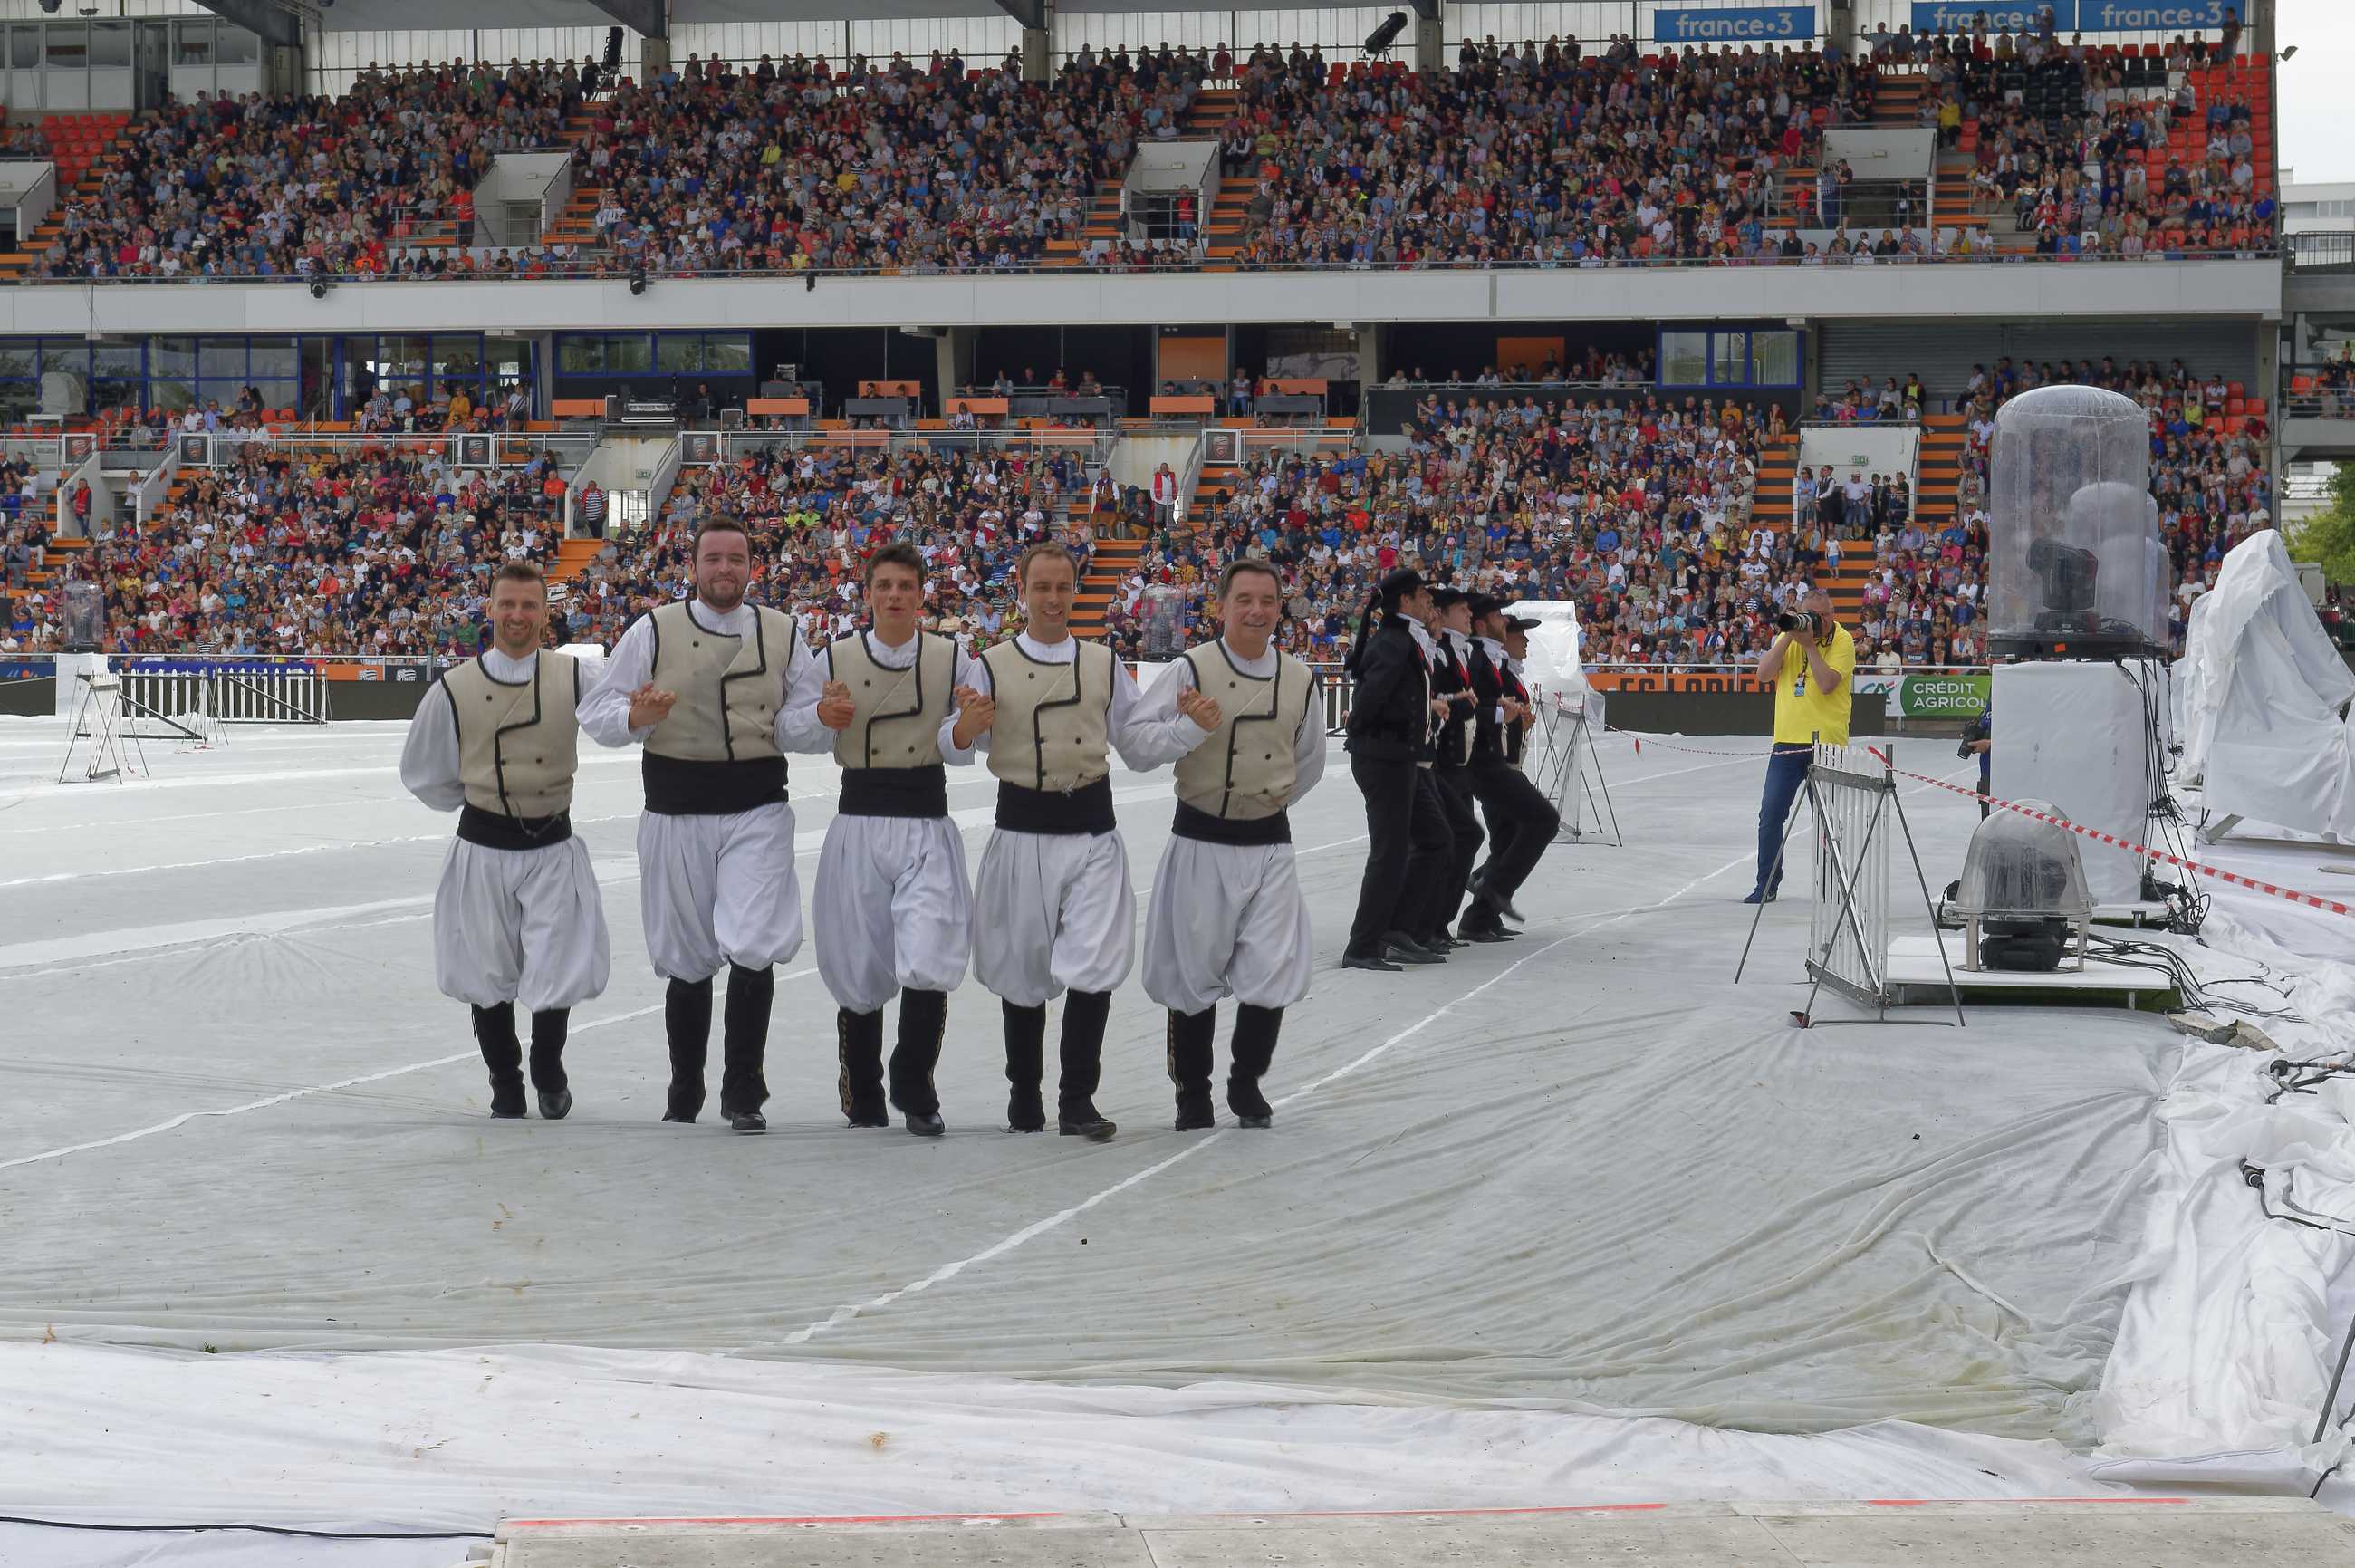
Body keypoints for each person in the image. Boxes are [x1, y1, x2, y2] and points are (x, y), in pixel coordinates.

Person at [578, 515, 826, 1132]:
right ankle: (685, 1085)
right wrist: (635, 714)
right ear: (693, 566)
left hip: (758, 807)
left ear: (752, 566)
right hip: (675, 809)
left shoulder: (784, 633)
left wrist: (823, 715)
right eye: (713, 558)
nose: (724, 570)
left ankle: (743, 1088)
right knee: (686, 954)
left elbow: (803, 719)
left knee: (754, 940)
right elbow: (598, 707)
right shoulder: (653, 630)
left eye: (736, 559)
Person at [963, 541, 1206, 1140]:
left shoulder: (1103, 663)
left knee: (1095, 963)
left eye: (1062, 587)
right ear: (1021, 589)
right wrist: (965, 727)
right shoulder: (988, 663)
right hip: (1022, 830)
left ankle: (1077, 1099)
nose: (1051, 598)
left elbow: (1137, 744)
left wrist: (1189, 729)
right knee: (1022, 968)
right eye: (1040, 587)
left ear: (1076, 591)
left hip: (1093, 830)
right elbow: (963, 739)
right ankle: (1025, 1094)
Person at [787, 542, 986, 1137]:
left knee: (929, 952)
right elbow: (791, 726)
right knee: (859, 959)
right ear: (867, 593)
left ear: (922, 592)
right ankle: (864, 1088)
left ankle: (914, 1079)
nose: (895, 595)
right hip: (860, 820)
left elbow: (959, 737)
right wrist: (821, 720)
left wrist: (968, 728)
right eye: (885, 586)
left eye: (906, 585)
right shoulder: (834, 656)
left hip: (926, 819)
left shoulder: (953, 658)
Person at [399, 561, 610, 1120]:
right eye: (507, 604)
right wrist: (482, 802)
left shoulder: (574, 675)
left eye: (529, 605)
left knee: (556, 965)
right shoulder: (453, 688)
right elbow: (423, 773)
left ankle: (547, 1066)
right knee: (485, 972)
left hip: (552, 845)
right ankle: (504, 1080)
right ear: (489, 609)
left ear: (546, 613)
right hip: (482, 850)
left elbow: (617, 723)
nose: (517, 615)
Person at [1138, 558, 1325, 1130]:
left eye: (1267, 600)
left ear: (1280, 608)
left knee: (1271, 968)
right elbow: (1141, 745)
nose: (1257, 611)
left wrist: (1262, 800)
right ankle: (1192, 1092)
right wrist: (1187, 729)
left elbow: (1310, 760)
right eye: (1244, 599)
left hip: (1269, 843)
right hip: (1201, 839)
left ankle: (1245, 1083)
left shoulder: (1300, 677)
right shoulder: (1190, 668)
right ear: (1221, 606)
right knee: (1193, 973)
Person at [1341, 567, 1455, 970]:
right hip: (1385, 759)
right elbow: (1371, 697)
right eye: (1424, 595)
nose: (1430, 602)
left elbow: (1397, 695)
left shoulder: (1404, 640)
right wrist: (1363, 731)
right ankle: (1362, 945)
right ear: (1405, 601)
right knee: (1388, 853)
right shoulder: (1393, 641)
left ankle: (1398, 928)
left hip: (1398, 757)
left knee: (1436, 838)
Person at [1745, 586, 1856, 904]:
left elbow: (1826, 684)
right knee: (1770, 816)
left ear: (1833, 615)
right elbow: (1763, 675)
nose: (1816, 621)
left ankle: (1833, 887)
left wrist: (1810, 647)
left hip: (1827, 743)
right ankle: (1766, 884)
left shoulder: (1843, 640)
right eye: (1810, 614)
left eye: (1822, 615)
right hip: (1787, 743)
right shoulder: (1792, 638)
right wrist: (1788, 634)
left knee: (1828, 821)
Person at [1457, 599, 1555, 940]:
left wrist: (1515, 719)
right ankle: (1486, 891)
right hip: (1492, 763)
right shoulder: (1488, 662)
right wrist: (1507, 714)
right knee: (1527, 827)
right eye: (1520, 636)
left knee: (1506, 839)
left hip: (1501, 761)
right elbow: (1481, 710)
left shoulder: (1503, 669)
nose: (1525, 642)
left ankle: (1483, 913)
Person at [1415, 587, 1484, 950]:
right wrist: (1454, 701)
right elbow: (1432, 696)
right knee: (1449, 839)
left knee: (1461, 837)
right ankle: (1426, 922)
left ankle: (1438, 922)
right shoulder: (1439, 652)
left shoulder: (1454, 651)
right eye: (1462, 610)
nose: (1468, 616)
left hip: (1457, 758)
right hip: (1439, 758)